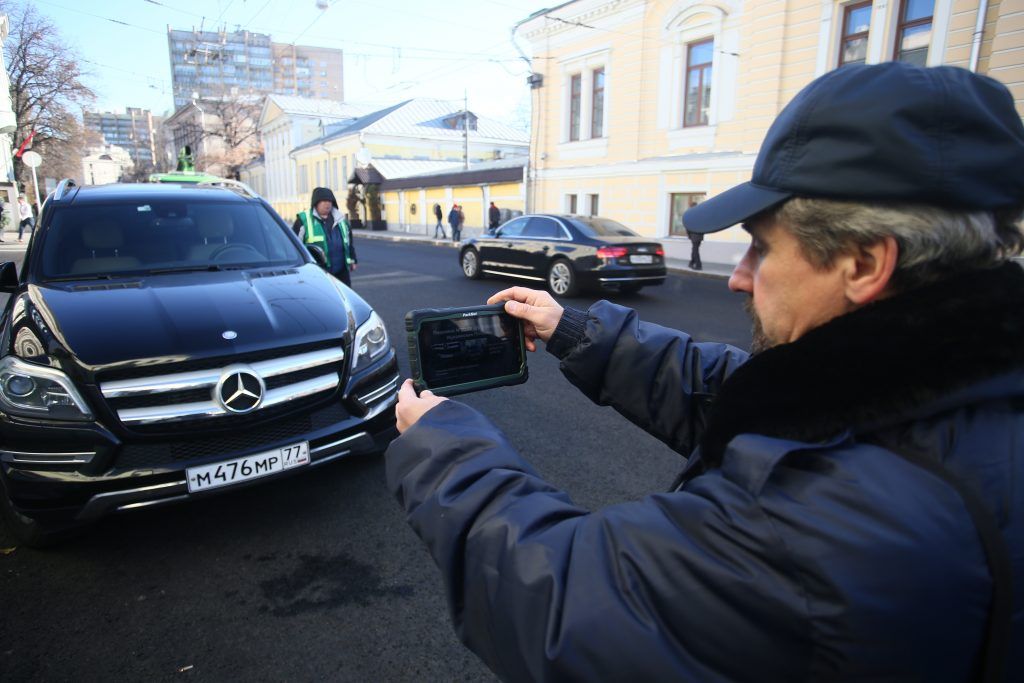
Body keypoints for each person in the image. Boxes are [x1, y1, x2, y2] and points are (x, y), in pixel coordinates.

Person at [384, 63, 1024, 681]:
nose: (739, 276)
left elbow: (567, 604)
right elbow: (746, 395)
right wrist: (574, 329)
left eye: (762, 246)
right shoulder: (957, 390)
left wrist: (445, 449)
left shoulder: (829, 526)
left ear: (862, 264)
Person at [292, 187, 357, 286]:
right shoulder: (304, 220)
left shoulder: (341, 219)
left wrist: (353, 259)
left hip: (341, 272)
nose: (327, 204)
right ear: (316, 203)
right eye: (324, 201)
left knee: (344, 299)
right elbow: (294, 245)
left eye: (330, 201)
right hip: (316, 272)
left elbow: (348, 242)